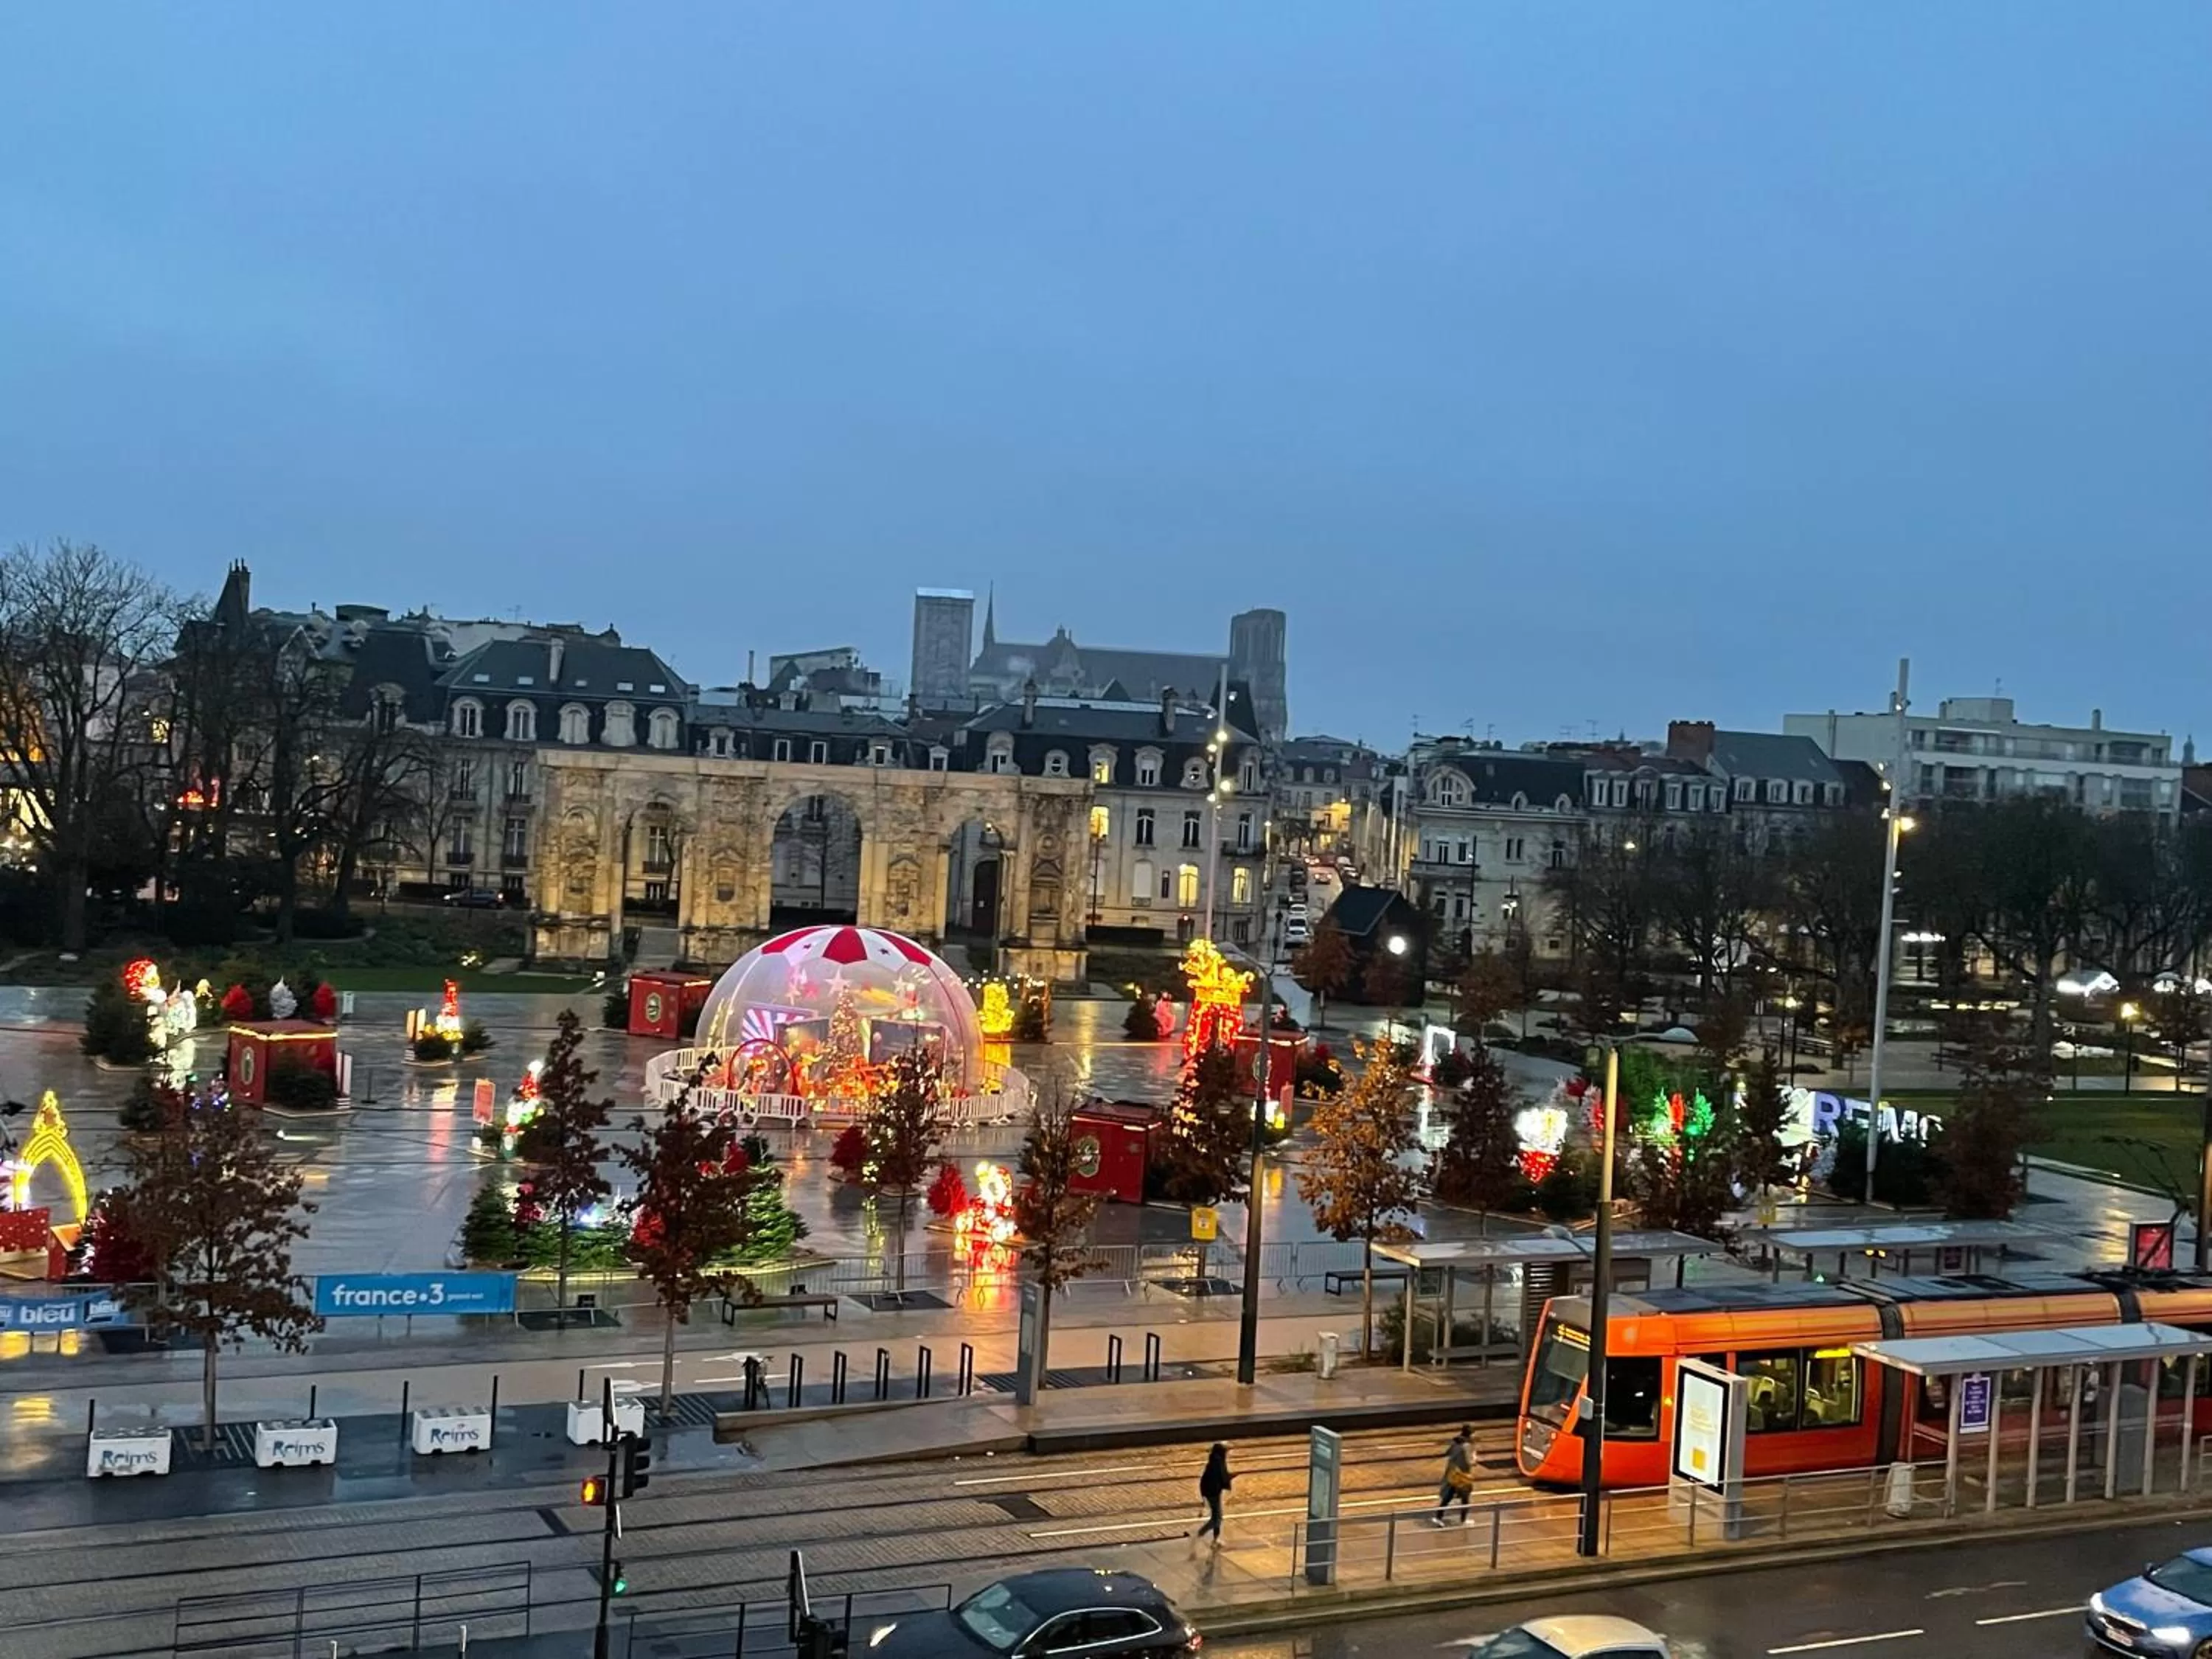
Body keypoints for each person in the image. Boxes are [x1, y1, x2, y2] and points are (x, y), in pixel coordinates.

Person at [1433, 1424, 1478, 1526]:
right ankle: (1463, 1520)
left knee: (1448, 1496)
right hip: (1463, 1475)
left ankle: (1438, 1517)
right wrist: (1475, 1457)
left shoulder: (1456, 1442)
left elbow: (1448, 1453)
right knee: (1465, 1498)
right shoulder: (1467, 1446)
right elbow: (1470, 1462)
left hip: (1453, 1473)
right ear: (1470, 1435)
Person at [1194, 1442, 1232, 1545]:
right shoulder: (1218, 1463)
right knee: (1217, 1518)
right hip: (1213, 1493)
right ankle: (1199, 1534)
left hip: (1211, 1492)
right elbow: (1221, 1478)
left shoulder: (1214, 1461)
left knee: (1217, 1516)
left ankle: (1215, 1540)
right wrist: (1229, 1478)